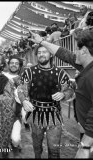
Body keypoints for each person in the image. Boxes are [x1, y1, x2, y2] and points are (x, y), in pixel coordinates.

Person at [28, 28, 93, 158]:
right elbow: (65, 54)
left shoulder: (89, 75)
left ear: (84, 50)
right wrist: (42, 41)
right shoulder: (86, 66)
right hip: (38, 118)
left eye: (76, 49)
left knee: (54, 150)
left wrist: (85, 144)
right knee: (37, 148)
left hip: (87, 136)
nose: (74, 53)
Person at [17, 45, 73, 158]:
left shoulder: (60, 73)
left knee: (54, 149)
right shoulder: (29, 72)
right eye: (39, 52)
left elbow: (69, 90)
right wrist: (23, 101)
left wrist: (63, 94)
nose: (41, 54)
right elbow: (21, 90)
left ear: (51, 54)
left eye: (45, 52)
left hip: (54, 115)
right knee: (37, 147)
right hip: (35, 113)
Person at [2, 55, 28, 158]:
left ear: (20, 66)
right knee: (3, 137)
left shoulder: (23, 79)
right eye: (12, 63)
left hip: (16, 113)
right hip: (1, 113)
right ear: (8, 64)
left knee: (16, 138)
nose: (14, 65)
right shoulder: (1, 76)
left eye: (16, 63)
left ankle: (15, 145)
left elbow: (25, 95)